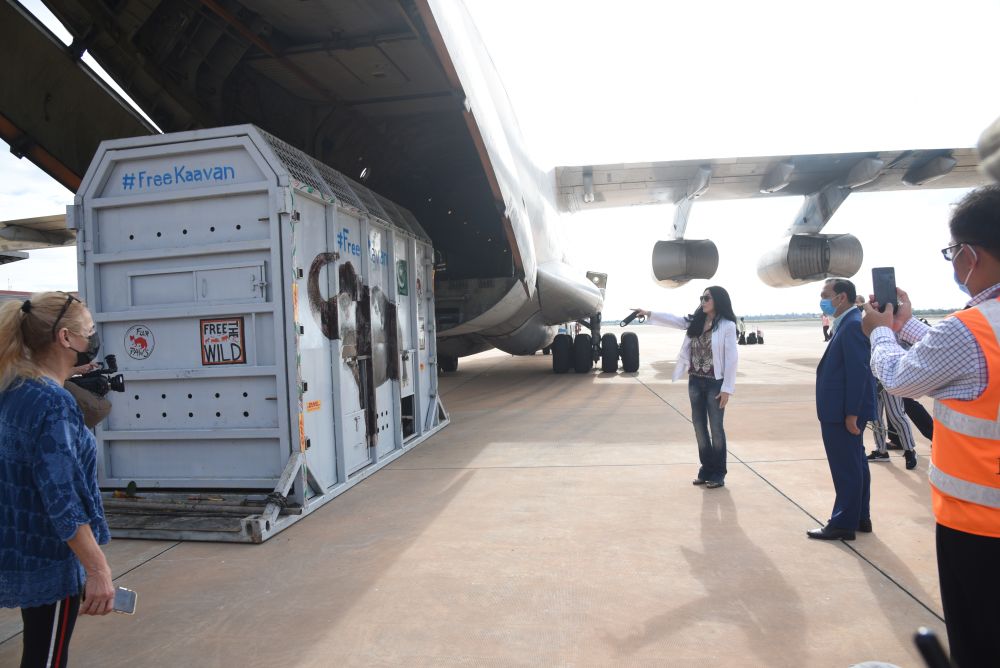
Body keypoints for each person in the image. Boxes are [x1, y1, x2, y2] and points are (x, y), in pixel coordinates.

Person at [861, 185, 1000, 668]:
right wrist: (907, 326)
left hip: (980, 529)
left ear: (970, 255)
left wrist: (881, 332)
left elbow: (901, 378)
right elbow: (962, 361)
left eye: (952, 252)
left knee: (980, 648)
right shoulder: (973, 332)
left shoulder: (973, 327)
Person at [0, 292, 114, 667]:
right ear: (66, 338)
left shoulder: (15, 390)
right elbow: (62, 498)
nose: (93, 338)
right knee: (46, 657)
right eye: (89, 330)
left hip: (18, 548)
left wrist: (66, 374)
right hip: (50, 558)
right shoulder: (54, 403)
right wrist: (97, 569)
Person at [633, 286, 739, 488]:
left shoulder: (727, 326)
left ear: (718, 300)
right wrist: (648, 313)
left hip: (715, 384)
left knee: (716, 429)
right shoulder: (696, 321)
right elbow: (673, 320)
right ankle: (706, 469)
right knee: (699, 427)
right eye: (702, 298)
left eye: (707, 298)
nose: (703, 301)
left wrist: (727, 388)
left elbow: (732, 358)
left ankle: (718, 473)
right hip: (695, 382)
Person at [809, 278, 877, 541]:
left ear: (842, 297)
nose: (822, 300)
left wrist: (852, 414)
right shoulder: (848, 323)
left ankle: (842, 523)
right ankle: (859, 516)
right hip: (842, 410)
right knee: (856, 463)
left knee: (845, 468)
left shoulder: (851, 326)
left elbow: (858, 372)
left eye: (825, 294)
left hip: (841, 413)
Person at [867, 381, 919, 469]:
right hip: (871, 380)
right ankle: (881, 451)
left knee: (896, 416)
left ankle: (909, 450)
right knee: (875, 418)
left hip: (888, 379)